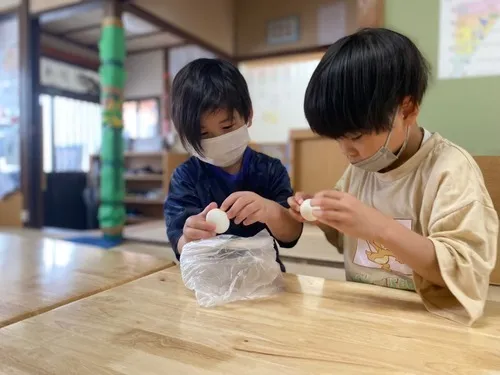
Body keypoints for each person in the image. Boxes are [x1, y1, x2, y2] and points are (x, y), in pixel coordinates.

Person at [288, 28, 498, 325]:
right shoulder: (360, 168)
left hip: (429, 321)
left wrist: (382, 229)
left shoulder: (450, 169)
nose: (347, 151)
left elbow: (465, 271)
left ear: (407, 110)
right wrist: (323, 216)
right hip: (364, 316)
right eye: (338, 139)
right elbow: (347, 241)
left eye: (357, 136)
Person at [164, 58, 303, 271]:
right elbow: (180, 242)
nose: (218, 139)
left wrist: (269, 210)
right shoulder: (186, 177)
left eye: (227, 127)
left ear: (248, 115)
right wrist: (190, 238)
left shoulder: (270, 170)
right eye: (203, 134)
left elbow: (291, 236)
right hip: (210, 278)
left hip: (264, 274)